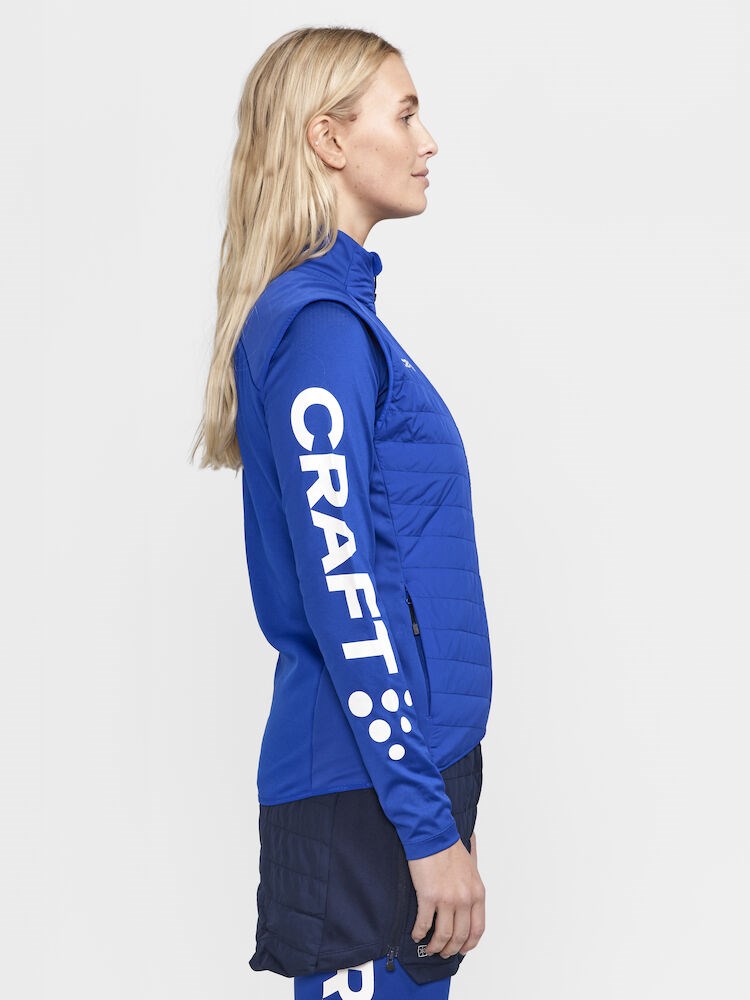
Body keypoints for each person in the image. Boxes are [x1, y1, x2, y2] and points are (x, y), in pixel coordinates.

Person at [191, 26, 493, 999]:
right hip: (369, 789)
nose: (427, 141)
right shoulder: (319, 328)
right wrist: (425, 826)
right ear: (328, 139)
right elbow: (345, 594)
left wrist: (437, 795)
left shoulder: (342, 320)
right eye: (404, 115)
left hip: (399, 779)